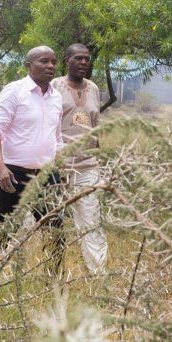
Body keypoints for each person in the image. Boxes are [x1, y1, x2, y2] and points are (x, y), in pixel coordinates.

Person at [0, 45, 65, 271]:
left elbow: (57, 136)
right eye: (44, 61)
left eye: (53, 62)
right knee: (5, 230)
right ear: (28, 65)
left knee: (56, 230)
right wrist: (1, 167)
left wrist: (62, 169)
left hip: (46, 175)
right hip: (14, 174)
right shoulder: (14, 91)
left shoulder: (56, 97)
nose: (50, 66)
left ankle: (54, 283)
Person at [51, 44, 108, 274]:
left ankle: (97, 273)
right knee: (51, 222)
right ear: (67, 60)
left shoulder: (93, 88)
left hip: (87, 166)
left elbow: (96, 127)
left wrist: (99, 158)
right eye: (78, 58)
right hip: (58, 166)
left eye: (87, 59)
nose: (84, 62)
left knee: (91, 220)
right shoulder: (55, 86)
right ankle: (52, 273)